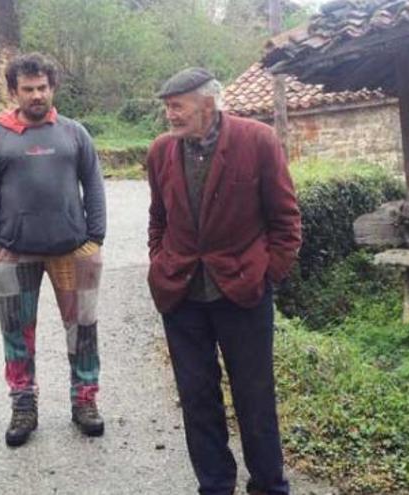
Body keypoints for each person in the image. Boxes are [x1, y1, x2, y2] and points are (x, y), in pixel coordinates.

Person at [146, 67, 302, 495]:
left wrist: (268, 273)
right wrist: (160, 260)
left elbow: (286, 220)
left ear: (207, 105)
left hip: (243, 292)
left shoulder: (257, 141)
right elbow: (158, 218)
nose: (170, 116)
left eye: (177, 107)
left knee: (255, 397)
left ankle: (269, 485)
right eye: (167, 108)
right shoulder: (161, 151)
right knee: (197, 398)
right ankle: (215, 485)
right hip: (182, 294)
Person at [0, 53, 107, 446]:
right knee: (16, 334)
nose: (36, 95)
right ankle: (23, 405)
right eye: (28, 89)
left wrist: (94, 238)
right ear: (14, 91)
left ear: (52, 89)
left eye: (42, 88)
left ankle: (84, 401)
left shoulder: (74, 133)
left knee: (82, 329)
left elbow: (94, 185)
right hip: (13, 255)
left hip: (73, 251)